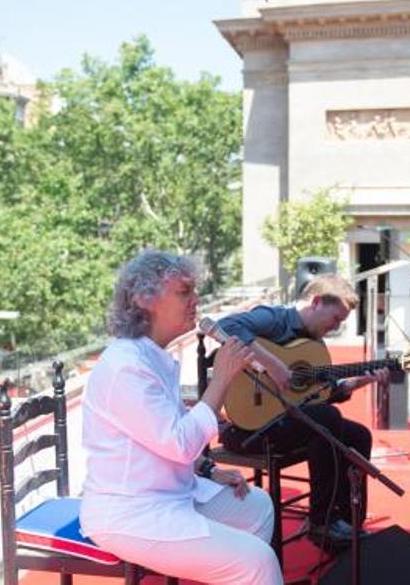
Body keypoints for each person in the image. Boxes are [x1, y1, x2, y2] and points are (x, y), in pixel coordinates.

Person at [79, 250, 281, 585]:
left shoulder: (151, 354)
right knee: (257, 562)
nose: (195, 299)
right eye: (184, 291)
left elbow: (159, 438)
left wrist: (208, 469)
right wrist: (221, 381)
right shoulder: (126, 366)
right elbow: (179, 444)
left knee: (258, 507)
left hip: (171, 493)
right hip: (131, 513)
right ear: (145, 300)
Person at [215, 274, 388, 549]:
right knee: (327, 420)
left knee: (358, 435)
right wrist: (273, 364)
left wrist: (363, 380)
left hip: (288, 423)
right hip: (250, 427)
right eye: (335, 319)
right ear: (317, 302)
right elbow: (224, 326)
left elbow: (324, 395)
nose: (335, 327)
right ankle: (322, 521)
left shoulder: (313, 345)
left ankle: (348, 521)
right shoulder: (275, 319)